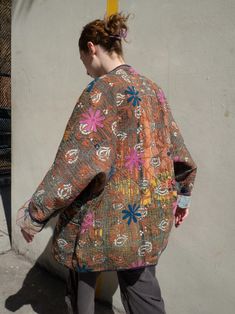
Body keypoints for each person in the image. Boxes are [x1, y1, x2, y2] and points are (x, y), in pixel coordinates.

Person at [16, 12, 197, 314]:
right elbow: (179, 152)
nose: (87, 71)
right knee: (144, 293)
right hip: (148, 218)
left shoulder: (101, 90)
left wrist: (35, 214)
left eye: (84, 62)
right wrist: (184, 195)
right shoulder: (153, 90)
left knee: (82, 291)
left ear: (91, 48)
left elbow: (74, 163)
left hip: (97, 222)